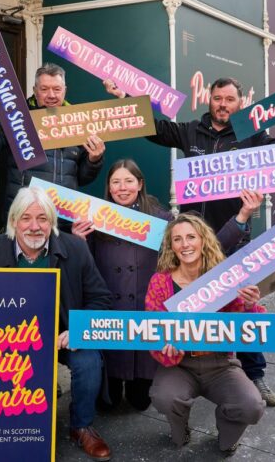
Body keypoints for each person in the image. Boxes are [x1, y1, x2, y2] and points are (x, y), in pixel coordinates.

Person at [103, 76, 275, 407]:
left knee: (241, 305)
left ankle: (254, 374)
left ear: (239, 103)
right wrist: (124, 98)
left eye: (230, 99)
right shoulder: (190, 131)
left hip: (235, 233)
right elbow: (153, 128)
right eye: (218, 98)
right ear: (209, 100)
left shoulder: (251, 134)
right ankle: (191, 370)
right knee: (194, 301)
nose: (223, 104)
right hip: (192, 239)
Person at [71, 160, 262, 414]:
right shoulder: (95, 219)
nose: (122, 188)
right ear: (108, 187)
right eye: (116, 182)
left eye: (129, 181)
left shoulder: (161, 219)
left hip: (147, 317)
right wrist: (79, 241)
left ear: (140, 184)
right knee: (109, 403)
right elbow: (87, 270)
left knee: (140, 402)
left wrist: (243, 216)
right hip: (113, 317)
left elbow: (207, 245)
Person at [0, 187, 114, 461]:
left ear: (52, 223)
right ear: (13, 222)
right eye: (26, 218)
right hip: (7, 341)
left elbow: (101, 299)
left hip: (59, 335)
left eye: (42, 218)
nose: (34, 226)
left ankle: (81, 426)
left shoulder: (75, 249)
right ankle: (4, 428)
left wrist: (78, 331)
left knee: (89, 360)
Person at [146, 213, 266, 454]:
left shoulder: (224, 278)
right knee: (164, 397)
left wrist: (250, 305)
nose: (185, 244)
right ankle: (180, 430)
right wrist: (164, 346)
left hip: (220, 362)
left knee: (251, 405)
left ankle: (227, 431)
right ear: (171, 246)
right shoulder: (160, 281)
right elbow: (152, 329)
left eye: (191, 237)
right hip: (180, 364)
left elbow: (248, 328)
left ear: (203, 241)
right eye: (177, 239)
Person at [0, 63, 105, 228]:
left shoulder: (79, 122)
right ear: (35, 90)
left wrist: (94, 161)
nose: (51, 95)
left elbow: (81, 178)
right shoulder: (16, 116)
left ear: (65, 90)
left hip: (63, 222)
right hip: (23, 217)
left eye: (57, 89)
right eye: (44, 89)